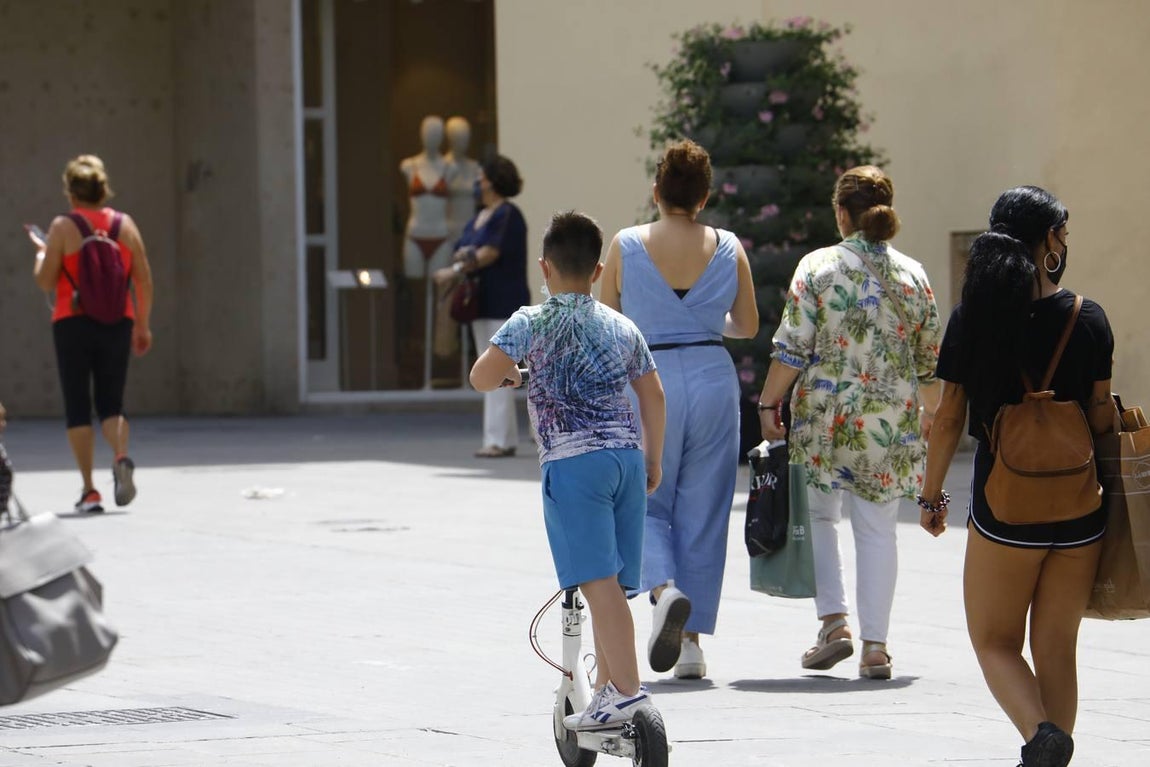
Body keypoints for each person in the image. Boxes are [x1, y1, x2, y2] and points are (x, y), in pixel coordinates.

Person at [918, 186, 1114, 767]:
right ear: (1047, 240)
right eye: (1064, 233)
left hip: (1005, 509)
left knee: (994, 641)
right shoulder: (1089, 317)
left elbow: (950, 415)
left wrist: (931, 497)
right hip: (1081, 509)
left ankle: (1040, 736)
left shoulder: (973, 320)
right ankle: (1052, 749)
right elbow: (1101, 413)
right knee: (1057, 648)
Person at [470, 210, 666, 730]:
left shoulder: (530, 321)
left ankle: (628, 693)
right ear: (598, 271)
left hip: (574, 464)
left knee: (596, 584)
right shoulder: (623, 325)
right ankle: (603, 692)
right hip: (626, 459)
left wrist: (512, 371)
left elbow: (480, 377)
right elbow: (653, 394)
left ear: (544, 267)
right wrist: (653, 457)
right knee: (617, 586)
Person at [759, 165, 941, 679]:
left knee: (819, 517)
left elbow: (791, 347)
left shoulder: (817, 267)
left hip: (825, 418)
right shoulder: (913, 273)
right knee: (880, 529)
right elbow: (930, 359)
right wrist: (931, 413)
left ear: (841, 213)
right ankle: (876, 647)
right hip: (890, 422)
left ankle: (833, 622)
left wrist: (767, 403)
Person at [599, 139, 758, 679]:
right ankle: (690, 646)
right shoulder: (729, 245)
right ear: (704, 195)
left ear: (656, 190)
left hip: (647, 377)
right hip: (714, 377)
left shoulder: (626, 243)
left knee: (642, 498)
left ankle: (663, 588)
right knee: (705, 509)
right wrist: (709, 326)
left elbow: (608, 322)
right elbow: (749, 325)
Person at [30, 155, 154, 514]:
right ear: (103, 189)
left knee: (78, 405)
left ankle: (89, 490)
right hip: (118, 319)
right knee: (112, 403)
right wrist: (142, 324)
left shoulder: (63, 226)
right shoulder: (124, 225)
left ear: (71, 192)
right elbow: (144, 279)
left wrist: (41, 256)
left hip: (73, 321)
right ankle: (120, 455)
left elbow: (45, 280)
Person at [433, 155, 530, 457]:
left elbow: (488, 253)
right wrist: (463, 258)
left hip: (503, 301)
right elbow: (463, 249)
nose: (478, 182)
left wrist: (458, 268)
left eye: (482, 176)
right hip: (481, 302)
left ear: (494, 180)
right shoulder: (481, 217)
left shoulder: (508, 215)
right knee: (491, 366)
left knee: (500, 367)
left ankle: (500, 440)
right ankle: (499, 437)